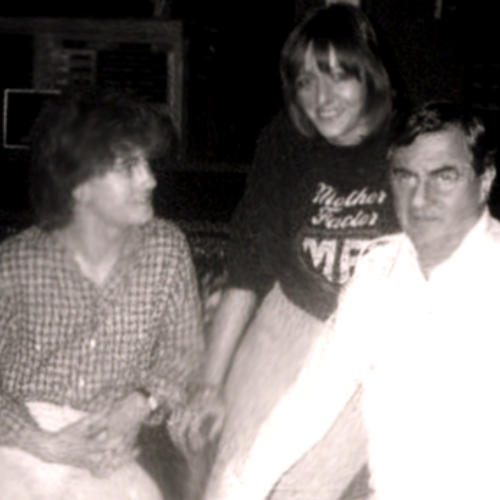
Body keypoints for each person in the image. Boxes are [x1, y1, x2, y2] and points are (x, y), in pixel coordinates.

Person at [231, 101, 499, 500]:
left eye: (444, 177)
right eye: (405, 177)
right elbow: (310, 401)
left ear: (485, 180)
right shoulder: (377, 274)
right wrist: (240, 489)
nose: (419, 199)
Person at [202, 4, 401, 499]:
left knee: (302, 490)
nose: (321, 98)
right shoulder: (285, 142)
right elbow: (245, 270)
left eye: (338, 76)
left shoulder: (413, 144)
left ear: (370, 75)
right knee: (232, 478)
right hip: (290, 319)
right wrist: (208, 384)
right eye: (306, 81)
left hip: (367, 343)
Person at [0, 88, 211, 500]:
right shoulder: (14, 265)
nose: (149, 179)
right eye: (128, 167)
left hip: (112, 447)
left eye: (146, 163)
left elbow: (184, 352)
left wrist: (140, 403)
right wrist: (44, 443)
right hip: (20, 443)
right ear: (78, 186)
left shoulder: (165, 249)